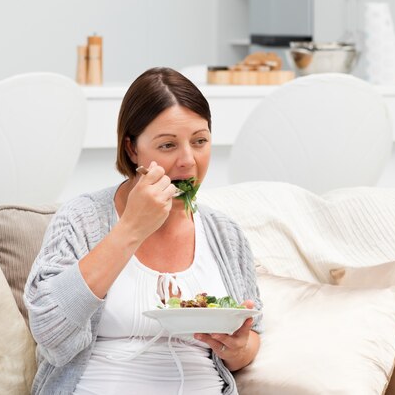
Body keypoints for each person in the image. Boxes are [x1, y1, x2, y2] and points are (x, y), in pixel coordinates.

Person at [24, 67, 263, 395]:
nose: (188, 161)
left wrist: (239, 349)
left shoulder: (225, 234)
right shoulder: (81, 218)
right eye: (167, 145)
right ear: (132, 149)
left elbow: (250, 338)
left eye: (200, 141)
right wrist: (131, 228)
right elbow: (49, 331)